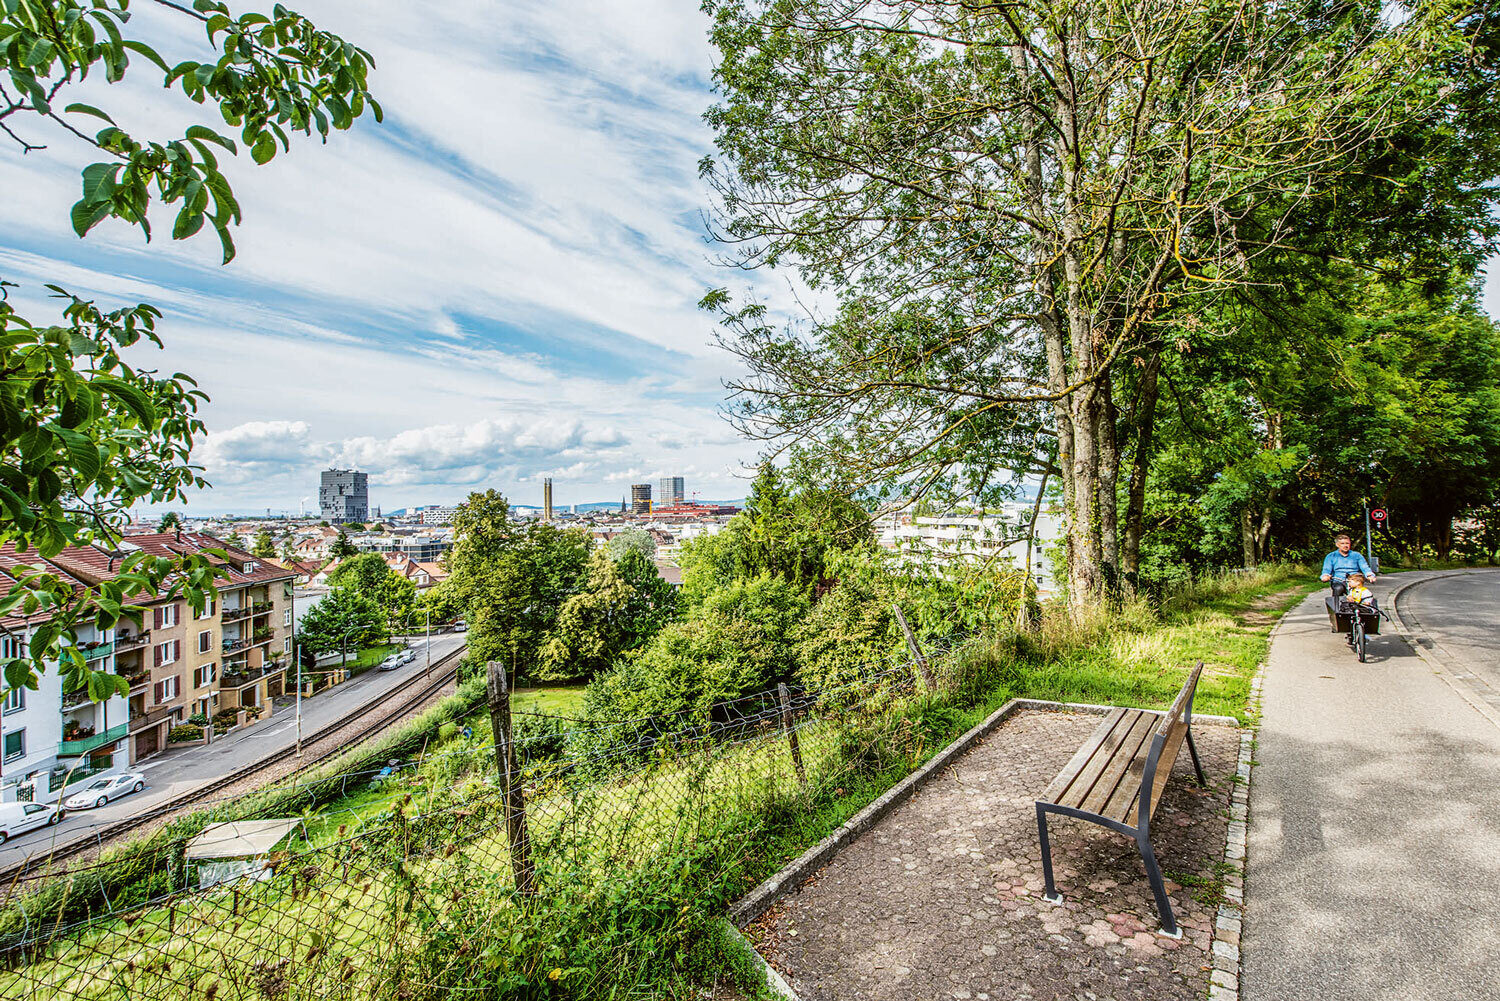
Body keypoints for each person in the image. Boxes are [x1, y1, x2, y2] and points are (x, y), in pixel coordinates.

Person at [1320, 532, 1376, 598]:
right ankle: (1336, 607)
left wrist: (1370, 575)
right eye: (1342, 543)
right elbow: (1326, 569)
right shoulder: (1331, 556)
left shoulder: (1357, 555)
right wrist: (1325, 576)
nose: (1345, 545)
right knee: (1338, 589)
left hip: (1354, 580)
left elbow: (1365, 567)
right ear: (1337, 545)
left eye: (1347, 543)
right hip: (1338, 581)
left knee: (1363, 594)